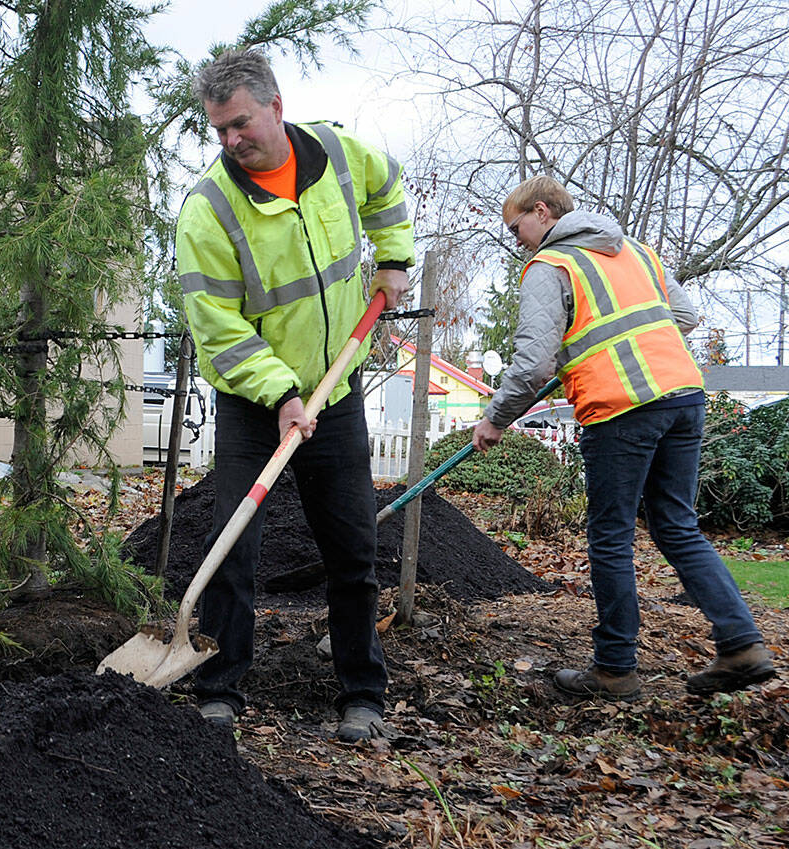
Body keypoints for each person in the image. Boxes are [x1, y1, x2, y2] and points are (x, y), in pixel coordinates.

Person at [176, 49, 414, 742]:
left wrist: (394, 255)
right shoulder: (209, 209)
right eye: (219, 129)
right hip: (255, 404)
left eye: (241, 123)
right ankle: (219, 687)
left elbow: (388, 189)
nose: (231, 140)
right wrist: (279, 390)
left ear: (276, 107)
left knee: (352, 544)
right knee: (234, 543)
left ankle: (362, 691)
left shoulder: (337, 154)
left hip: (336, 390)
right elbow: (217, 328)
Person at [472, 175, 774, 699]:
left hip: (620, 408)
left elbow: (534, 361)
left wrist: (496, 418)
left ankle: (614, 669)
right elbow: (683, 315)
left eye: (516, 226)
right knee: (677, 526)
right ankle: (742, 645)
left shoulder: (551, 266)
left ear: (541, 213)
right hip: (682, 395)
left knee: (610, 536)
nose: (516, 238)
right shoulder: (634, 251)